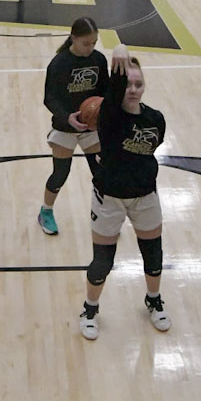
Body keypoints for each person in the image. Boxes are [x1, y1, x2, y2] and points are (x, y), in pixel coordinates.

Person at [75, 46, 168, 339]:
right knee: (103, 261)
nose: (133, 89)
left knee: (153, 256)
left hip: (145, 196)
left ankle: (153, 300)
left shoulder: (156, 119)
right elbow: (114, 91)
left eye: (139, 84)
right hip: (109, 199)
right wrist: (120, 52)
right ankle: (90, 308)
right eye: (128, 83)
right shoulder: (109, 118)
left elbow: (150, 151)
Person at [38, 17, 107, 235]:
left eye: (94, 43)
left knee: (101, 173)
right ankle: (45, 212)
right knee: (60, 174)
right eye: (86, 43)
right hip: (65, 127)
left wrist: (101, 112)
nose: (91, 48)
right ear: (73, 38)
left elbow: (106, 92)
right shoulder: (59, 64)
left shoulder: (99, 60)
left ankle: (102, 214)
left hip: (91, 129)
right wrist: (68, 117)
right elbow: (49, 99)